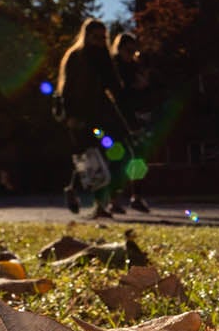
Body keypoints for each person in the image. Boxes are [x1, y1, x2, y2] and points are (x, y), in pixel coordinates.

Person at [54, 19, 130, 219]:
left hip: (104, 116)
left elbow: (114, 87)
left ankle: (75, 188)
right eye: (96, 37)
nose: (99, 41)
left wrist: (127, 120)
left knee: (116, 153)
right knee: (93, 159)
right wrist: (71, 117)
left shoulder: (103, 57)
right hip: (84, 118)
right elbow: (67, 89)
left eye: (103, 37)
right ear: (86, 36)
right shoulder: (76, 57)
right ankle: (100, 205)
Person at [109, 32, 152, 213]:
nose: (132, 53)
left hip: (137, 116)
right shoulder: (114, 67)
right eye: (128, 49)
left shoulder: (135, 67)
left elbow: (144, 91)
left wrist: (144, 87)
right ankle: (114, 200)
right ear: (120, 48)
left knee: (139, 158)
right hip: (119, 117)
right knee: (118, 158)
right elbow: (116, 93)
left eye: (134, 49)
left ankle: (136, 196)